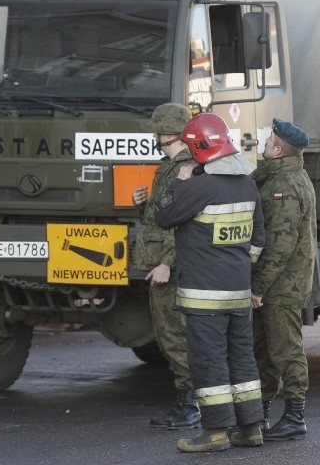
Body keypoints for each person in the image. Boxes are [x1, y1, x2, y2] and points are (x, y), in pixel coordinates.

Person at [155, 113, 266, 452]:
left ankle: (216, 432)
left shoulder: (199, 186)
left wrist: (180, 182)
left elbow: (163, 215)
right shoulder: (247, 183)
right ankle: (250, 429)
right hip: (238, 291)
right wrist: (237, 270)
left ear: (200, 148)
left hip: (204, 295)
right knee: (242, 359)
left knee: (208, 360)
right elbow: (258, 238)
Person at [245, 118, 316, 442]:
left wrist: (258, 287)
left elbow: (279, 244)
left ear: (277, 148)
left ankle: (294, 416)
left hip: (282, 285)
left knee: (285, 350)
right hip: (279, 283)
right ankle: (259, 413)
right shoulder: (281, 176)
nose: (264, 141)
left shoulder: (284, 186)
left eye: (269, 138)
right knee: (265, 350)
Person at [131, 103, 199, 430]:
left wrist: (167, 264)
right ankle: (187, 403)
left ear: (165, 132)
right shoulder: (169, 168)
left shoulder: (183, 169)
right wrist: (144, 205)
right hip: (162, 262)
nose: (155, 136)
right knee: (169, 333)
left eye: (157, 131)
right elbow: (163, 216)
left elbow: (181, 223)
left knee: (174, 335)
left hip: (170, 266)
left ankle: (190, 405)